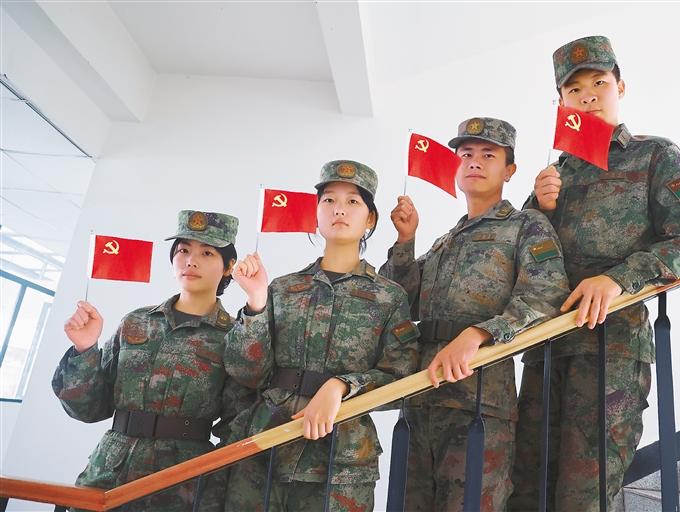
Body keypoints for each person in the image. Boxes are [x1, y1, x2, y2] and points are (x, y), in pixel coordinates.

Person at [509, 35, 680, 511]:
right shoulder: (556, 174)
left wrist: (619, 278)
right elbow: (523, 260)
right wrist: (537, 208)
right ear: (562, 103)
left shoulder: (654, 154)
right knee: (526, 489)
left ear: (620, 86)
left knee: (584, 493)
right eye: (574, 90)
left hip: (612, 347)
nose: (588, 96)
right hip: (545, 347)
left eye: (599, 83)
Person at [379, 117, 571, 511]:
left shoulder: (525, 225)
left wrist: (478, 334)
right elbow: (397, 302)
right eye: (466, 154)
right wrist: (405, 241)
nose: (474, 162)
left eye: (488, 155)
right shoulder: (444, 241)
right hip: (420, 394)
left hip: (480, 399)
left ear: (509, 170)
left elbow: (546, 293)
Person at [223, 160, 420, 512]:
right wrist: (255, 302)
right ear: (316, 214)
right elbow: (247, 373)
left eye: (353, 201)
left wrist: (342, 385)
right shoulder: (282, 289)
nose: (339, 209)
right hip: (266, 449)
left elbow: (401, 377)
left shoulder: (388, 297)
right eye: (329, 200)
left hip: (340, 465)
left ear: (370, 219)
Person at [53, 210, 251, 511]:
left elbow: (236, 427)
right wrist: (85, 349)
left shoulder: (234, 337)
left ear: (229, 266)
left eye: (207, 253)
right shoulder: (136, 322)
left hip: (181, 483)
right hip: (109, 472)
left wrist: (216, 491)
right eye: (183, 250)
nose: (191, 261)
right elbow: (90, 408)